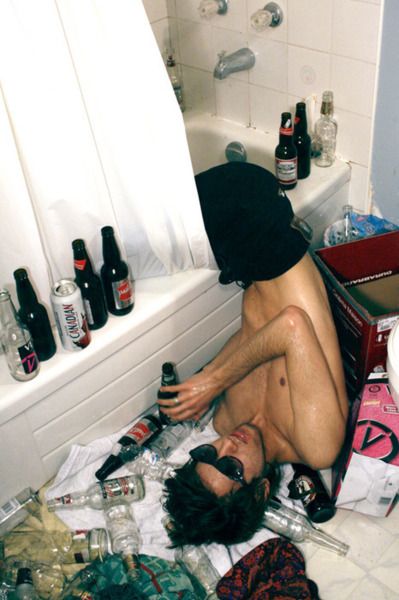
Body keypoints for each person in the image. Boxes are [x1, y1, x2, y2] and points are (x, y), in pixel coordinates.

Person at [159, 162, 348, 547]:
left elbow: (246, 339)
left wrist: (209, 376)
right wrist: (214, 381)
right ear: (261, 491)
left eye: (207, 455)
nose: (227, 445)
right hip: (264, 228)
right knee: (153, 218)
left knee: (146, 219)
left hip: (243, 262)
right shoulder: (317, 445)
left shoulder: (227, 418)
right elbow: (290, 325)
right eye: (231, 467)